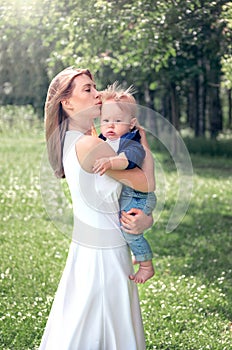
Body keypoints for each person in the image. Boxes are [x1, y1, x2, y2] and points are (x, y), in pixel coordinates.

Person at [39, 67, 155, 350]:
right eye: (87, 89)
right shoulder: (91, 144)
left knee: (82, 319)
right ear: (67, 103)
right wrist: (145, 143)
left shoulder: (75, 139)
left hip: (90, 244)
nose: (97, 93)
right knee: (105, 325)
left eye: (95, 87)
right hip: (106, 249)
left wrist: (145, 220)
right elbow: (146, 183)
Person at [93, 83, 156, 284]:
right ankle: (138, 252)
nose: (110, 126)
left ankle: (146, 266)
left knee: (129, 230)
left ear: (131, 124)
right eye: (106, 120)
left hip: (139, 196)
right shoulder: (106, 138)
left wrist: (110, 162)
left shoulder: (130, 142)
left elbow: (128, 160)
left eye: (118, 120)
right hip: (130, 194)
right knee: (129, 230)